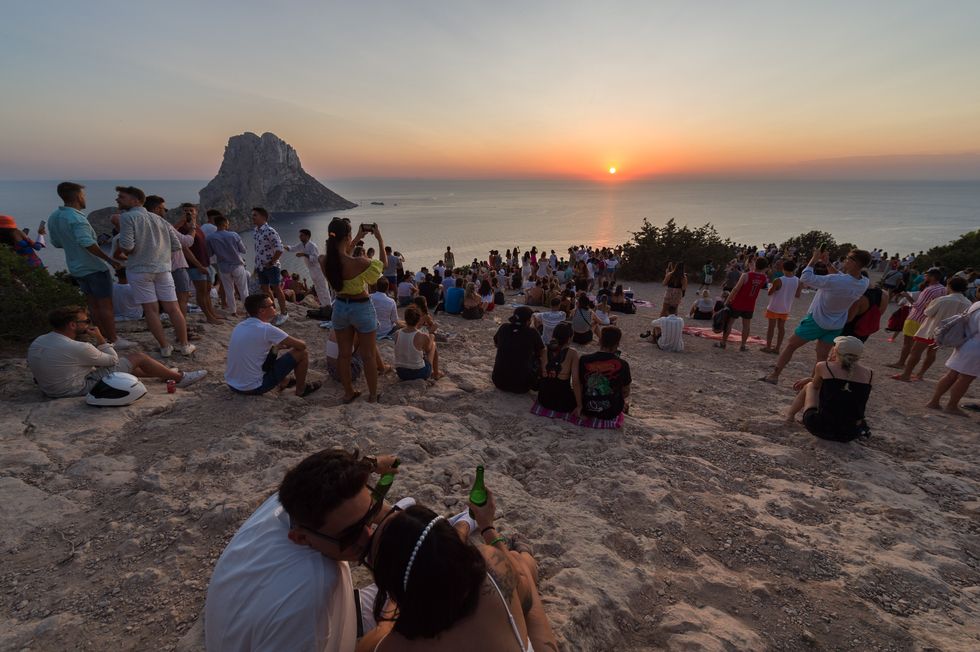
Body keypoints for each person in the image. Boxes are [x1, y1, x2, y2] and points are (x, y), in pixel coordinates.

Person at [205, 449, 400, 652]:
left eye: (368, 518)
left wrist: (372, 465)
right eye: (350, 535)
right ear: (300, 537)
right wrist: (390, 618)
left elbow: (336, 479)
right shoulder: (311, 590)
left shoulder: (289, 505)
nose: (367, 536)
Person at [361, 492, 558, 652]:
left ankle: (519, 556)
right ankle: (524, 557)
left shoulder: (392, 645)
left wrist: (400, 597)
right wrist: (487, 527)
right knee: (519, 568)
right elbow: (524, 595)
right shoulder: (491, 565)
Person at [27, 305, 205, 398]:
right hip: (74, 389)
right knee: (138, 357)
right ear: (72, 325)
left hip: (50, 388)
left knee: (125, 366)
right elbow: (113, 360)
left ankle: (164, 374)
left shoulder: (39, 340)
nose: (89, 324)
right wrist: (101, 339)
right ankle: (180, 379)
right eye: (85, 321)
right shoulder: (79, 347)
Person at [46, 182, 134, 349]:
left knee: (93, 306)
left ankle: (102, 338)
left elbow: (57, 243)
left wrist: (71, 244)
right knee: (105, 305)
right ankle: (114, 339)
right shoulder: (77, 218)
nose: (84, 198)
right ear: (78, 196)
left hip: (76, 268)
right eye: (83, 195)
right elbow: (87, 243)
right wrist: (110, 260)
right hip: (94, 267)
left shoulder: (55, 217)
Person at [763, 249, 872, 384]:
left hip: (817, 319)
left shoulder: (836, 280)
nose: (845, 261)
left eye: (848, 259)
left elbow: (806, 278)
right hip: (836, 324)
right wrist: (827, 264)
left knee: (791, 345)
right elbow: (842, 279)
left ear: (854, 262)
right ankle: (813, 385)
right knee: (821, 356)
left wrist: (813, 259)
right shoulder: (864, 282)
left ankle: (775, 375)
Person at [115, 186, 196, 358]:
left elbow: (127, 246)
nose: (118, 199)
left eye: (122, 197)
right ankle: (184, 345)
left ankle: (165, 347)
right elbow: (176, 245)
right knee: (173, 308)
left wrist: (129, 251)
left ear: (135, 200)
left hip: (139, 270)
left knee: (151, 310)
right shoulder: (161, 220)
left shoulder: (128, 217)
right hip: (163, 269)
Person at [325, 218, 385, 404]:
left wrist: (358, 236)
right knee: (368, 355)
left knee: (344, 354)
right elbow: (383, 266)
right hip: (362, 308)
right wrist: (380, 240)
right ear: (348, 237)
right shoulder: (359, 263)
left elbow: (341, 254)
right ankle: (373, 396)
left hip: (340, 307)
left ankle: (348, 392)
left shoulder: (324, 261)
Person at [225, 293, 320, 397]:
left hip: (232, 384)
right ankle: (301, 390)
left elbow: (263, 363)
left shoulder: (240, 326)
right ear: (262, 310)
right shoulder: (266, 329)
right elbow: (302, 346)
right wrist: (298, 341)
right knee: (302, 353)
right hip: (253, 387)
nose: (274, 307)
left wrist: (276, 347)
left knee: (266, 355)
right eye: (271, 305)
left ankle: (285, 381)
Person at [785, 336, 872, 442]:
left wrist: (809, 379)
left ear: (836, 350)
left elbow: (816, 385)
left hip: (820, 427)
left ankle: (790, 415)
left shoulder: (824, 366)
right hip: (850, 433)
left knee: (810, 386)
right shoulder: (869, 373)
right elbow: (843, 386)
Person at [894, 277, 972, 382]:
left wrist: (928, 305)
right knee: (932, 353)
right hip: (946, 333)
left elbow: (927, 313)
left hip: (930, 330)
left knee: (916, 351)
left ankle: (906, 374)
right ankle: (920, 374)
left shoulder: (943, 299)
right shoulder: (968, 303)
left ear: (949, 286)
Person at [143, 195, 200, 318]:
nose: (165, 211)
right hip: (176, 266)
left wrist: (179, 224)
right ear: (157, 208)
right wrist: (193, 227)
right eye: (164, 208)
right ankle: (182, 328)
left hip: (157, 267)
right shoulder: (163, 224)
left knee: (161, 302)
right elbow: (186, 242)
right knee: (182, 299)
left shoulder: (144, 224)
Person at [927, 300, 980, 415]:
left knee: (951, 375)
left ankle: (934, 401)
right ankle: (951, 405)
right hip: (976, 348)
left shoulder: (976, 304)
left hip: (965, 342)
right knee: (966, 378)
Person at [572, 326, 631, 429]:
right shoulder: (623, 364)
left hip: (587, 408)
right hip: (611, 411)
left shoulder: (584, 359)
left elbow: (579, 385)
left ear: (600, 341)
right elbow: (626, 391)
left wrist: (580, 405)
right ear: (617, 344)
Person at [888, 268, 946, 370]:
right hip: (927, 321)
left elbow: (918, 306)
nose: (925, 276)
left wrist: (907, 296)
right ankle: (909, 366)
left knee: (908, 344)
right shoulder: (942, 288)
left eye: (927, 275)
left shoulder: (929, 290)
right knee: (917, 347)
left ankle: (901, 363)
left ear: (932, 277)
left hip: (916, 318)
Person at [176, 203, 223, 324]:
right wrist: (199, 265)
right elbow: (185, 250)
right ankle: (209, 317)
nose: (188, 213)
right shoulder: (183, 229)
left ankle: (212, 313)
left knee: (207, 290)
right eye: (185, 211)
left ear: (196, 212)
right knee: (201, 292)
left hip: (204, 263)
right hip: (195, 266)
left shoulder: (197, 227)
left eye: (191, 210)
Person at [492, 307, 547, 394]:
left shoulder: (504, 328)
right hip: (522, 386)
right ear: (528, 320)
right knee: (541, 355)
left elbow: (496, 344)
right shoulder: (532, 332)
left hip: (499, 381)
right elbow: (542, 351)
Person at [719, 257, 769, 351]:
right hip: (750, 304)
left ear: (755, 264)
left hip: (738, 302)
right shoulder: (763, 278)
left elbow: (735, 289)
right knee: (746, 325)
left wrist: (727, 301)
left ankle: (723, 342)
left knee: (730, 322)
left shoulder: (746, 275)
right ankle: (743, 345)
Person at [531, 322, 579, 418]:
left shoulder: (544, 351)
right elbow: (575, 381)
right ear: (569, 338)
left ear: (554, 335)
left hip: (544, 399)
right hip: (563, 403)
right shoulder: (573, 353)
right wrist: (580, 405)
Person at [206, 214, 250, 316]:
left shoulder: (210, 238)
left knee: (229, 290)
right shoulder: (234, 235)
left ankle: (233, 311)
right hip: (237, 265)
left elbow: (210, 253)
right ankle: (248, 310)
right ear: (225, 224)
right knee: (243, 289)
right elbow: (243, 250)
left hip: (223, 267)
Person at [252, 207, 289, 326]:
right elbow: (258, 250)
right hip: (260, 266)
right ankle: (273, 311)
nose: (252, 217)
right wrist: (256, 266)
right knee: (265, 289)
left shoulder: (270, 231)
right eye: (252, 215)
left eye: (255, 215)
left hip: (272, 266)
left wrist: (272, 262)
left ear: (263, 217)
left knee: (277, 288)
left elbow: (280, 248)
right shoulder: (256, 231)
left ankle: (284, 313)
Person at [761, 260, 801, 354]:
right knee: (781, 328)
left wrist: (771, 287)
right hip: (786, 307)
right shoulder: (798, 280)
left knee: (771, 327)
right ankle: (777, 348)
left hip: (774, 306)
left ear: (783, 268)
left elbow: (770, 293)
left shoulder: (779, 280)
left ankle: (768, 347)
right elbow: (798, 295)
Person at [393, 305, 442, 381]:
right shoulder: (422, 335)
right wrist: (432, 336)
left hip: (401, 373)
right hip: (419, 373)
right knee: (433, 345)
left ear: (405, 319)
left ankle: (436, 373)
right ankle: (436, 374)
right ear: (419, 319)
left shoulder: (397, 333)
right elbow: (428, 350)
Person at [284, 228, 331, 307]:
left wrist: (303, 254)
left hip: (317, 269)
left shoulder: (312, 246)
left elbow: (316, 258)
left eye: (301, 235)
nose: (300, 237)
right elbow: (292, 248)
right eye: (300, 235)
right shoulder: (301, 245)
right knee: (317, 288)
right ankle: (323, 305)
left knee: (323, 288)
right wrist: (283, 246)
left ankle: (328, 305)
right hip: (311, 270)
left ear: (307, 236)